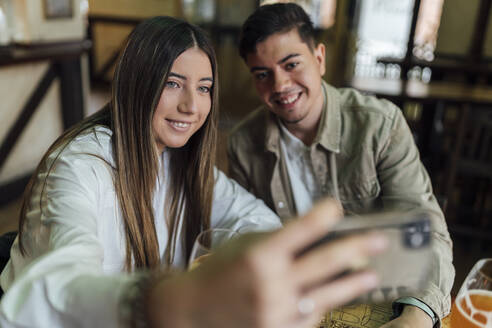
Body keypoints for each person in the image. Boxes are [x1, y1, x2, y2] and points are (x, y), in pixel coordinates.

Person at [0, 16, 389, 328]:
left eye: (203, 88)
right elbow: (59, 286)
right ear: (137, 84)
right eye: (173, 83)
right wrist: (169, 303)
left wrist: (245, 262)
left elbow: (252, 217)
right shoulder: (78, 167)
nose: (191, 106)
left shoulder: (177, 159)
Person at [227, 3, 454, 328]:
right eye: (262, 74)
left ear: (319, 58)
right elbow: (247, 236)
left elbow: (425, 229)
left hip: (379, 292)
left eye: (291, 64)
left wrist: (416, 316)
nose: (279, 85)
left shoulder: (380, 126)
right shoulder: (242, 144)